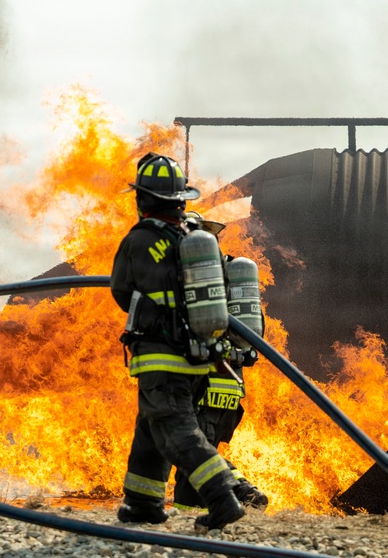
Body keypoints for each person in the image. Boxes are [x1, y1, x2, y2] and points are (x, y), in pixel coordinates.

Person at [110, 153, 246, 531]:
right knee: (151, 430)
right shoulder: (193, 240)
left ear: (142, 199)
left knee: (176, 432)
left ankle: (223, 498)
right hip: (196, 357)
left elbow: (120, 290)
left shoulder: (140, 239)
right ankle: (143, 504)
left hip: (160, 355)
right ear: (180, 200)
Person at [171, 211, 270, 513]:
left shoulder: (194, 280)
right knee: (189, 468)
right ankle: (193, 520)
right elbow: (254, 332)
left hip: (204, 384)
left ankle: (241, 489)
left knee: (192, 450)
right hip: (229, 390)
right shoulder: (232, 275)